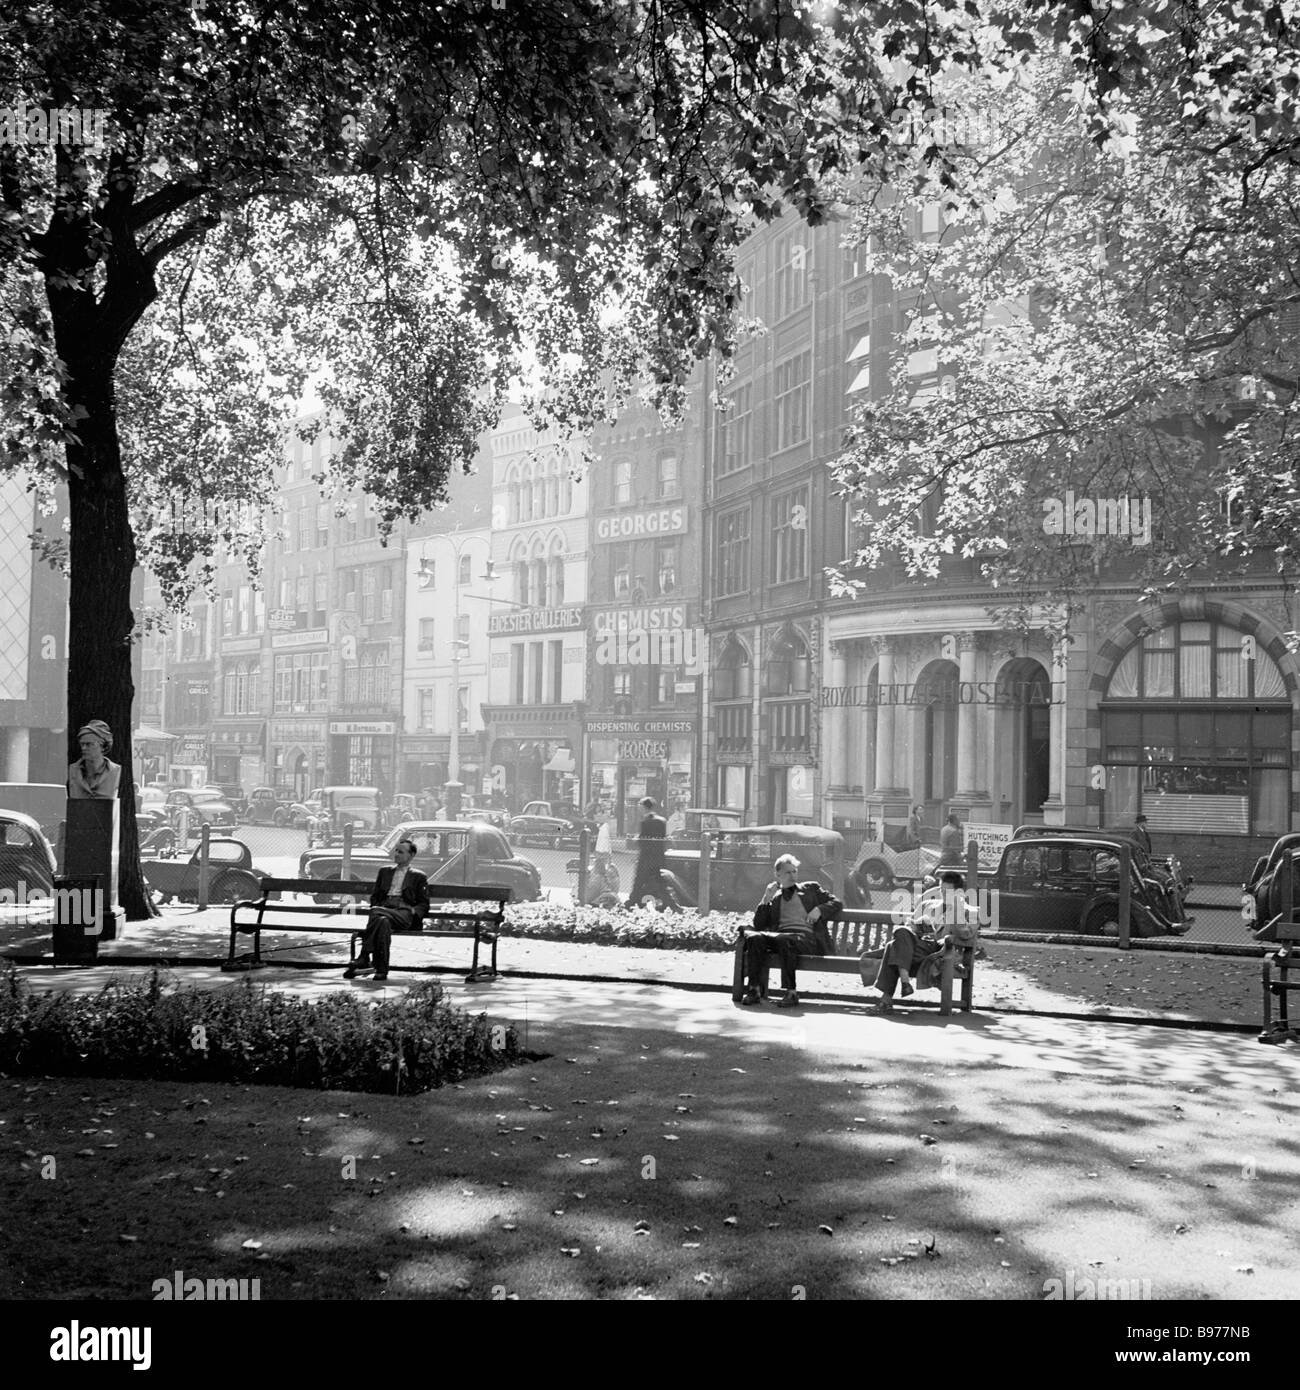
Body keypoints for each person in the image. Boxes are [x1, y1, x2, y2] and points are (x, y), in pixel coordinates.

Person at [862, 870, 974, 1012]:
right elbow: (909, 928)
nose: (943, 894)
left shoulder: (967, 911)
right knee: (901, 932)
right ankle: (904, 983)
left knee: (892, 948)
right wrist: (916, 925)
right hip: (916, 946)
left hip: (940, 952)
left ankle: (887, 1000)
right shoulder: (929, 905)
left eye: (948, 891)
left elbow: (966, 935)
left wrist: (956, 910)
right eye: (941, 889)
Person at [741, 855, 842, 1008]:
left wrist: (819, 909)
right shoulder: (775, 897)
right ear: (778, 875)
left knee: (784, 940)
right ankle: (753, 990)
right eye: (788, 872)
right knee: (755, 938)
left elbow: (837, 902)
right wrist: (766, 897)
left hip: (806, 941)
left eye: (794, 872)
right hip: (781, 939)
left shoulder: (811, 888)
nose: (793, 875)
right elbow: (759, 924)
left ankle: (791, 993)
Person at [344, 838, 429, 982]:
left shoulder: (418, 876)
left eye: (400, 852)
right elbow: (375, 896)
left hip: (404, 913)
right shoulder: (384, 872)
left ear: (411, 855)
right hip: (385, 909)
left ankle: (365, 955)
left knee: (376, 912)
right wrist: (379, 905)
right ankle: (381, 971)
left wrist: (413, 911)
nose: (396, 854)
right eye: (396, 850)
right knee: (382, 922)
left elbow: (424, 903)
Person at [624, 796, 667, 908]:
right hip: (657, 856)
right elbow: (662, 839)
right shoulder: (662, 821)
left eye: (640, 805)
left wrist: (635, 840)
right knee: (659, 881)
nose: (639, 808)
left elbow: (643, 839)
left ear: (644, 807)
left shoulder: (645, 821)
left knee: (639, 880)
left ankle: (632, 901)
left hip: (646, 857)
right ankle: (669, 903)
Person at [68, 720, 122, 800]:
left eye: (89, 744)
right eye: (82, 744)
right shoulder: (72, 770)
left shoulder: (115, 771)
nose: (84, 748)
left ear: (102, 746)